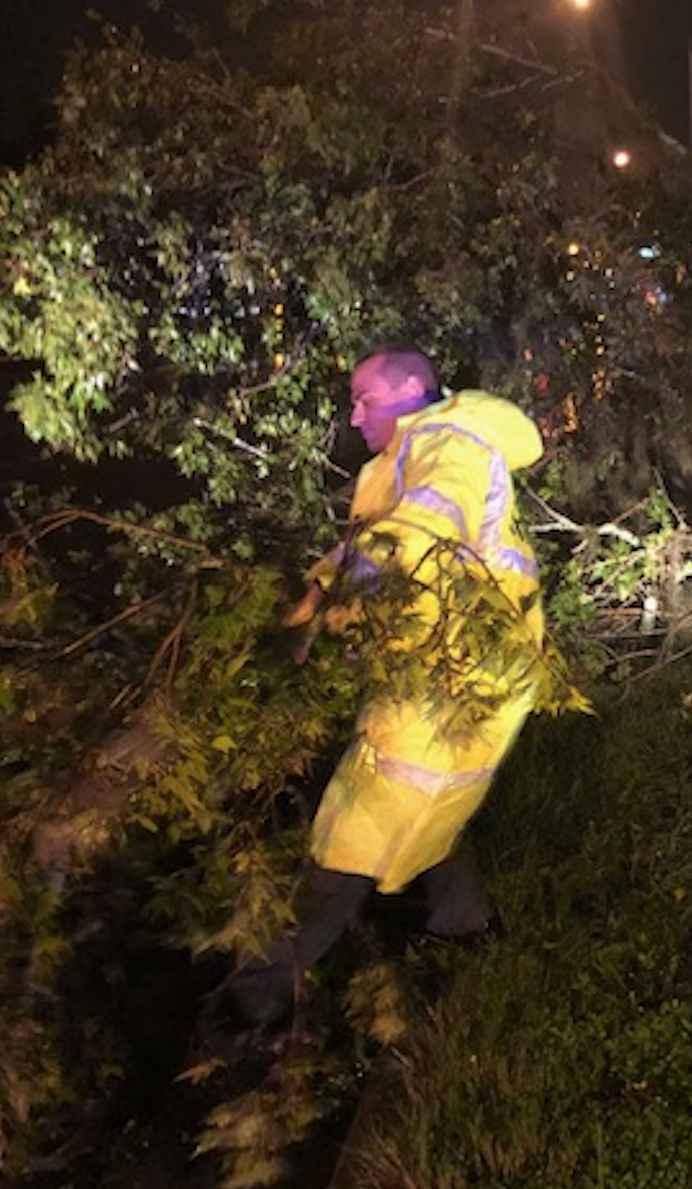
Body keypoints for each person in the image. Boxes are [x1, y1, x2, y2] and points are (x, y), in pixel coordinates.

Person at [227, 345, 548, 1027]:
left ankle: (252, 1003)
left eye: (362, 399)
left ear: (408, 389)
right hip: (453, 669)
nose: (353, 414)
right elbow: (377, 548)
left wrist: (324, 599)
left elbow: (419, 536)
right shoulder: (410, 454)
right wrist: (317, 600)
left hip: (455, 675)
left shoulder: (447, 440)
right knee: (430, 800)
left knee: (357, 824)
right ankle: (468, 929)